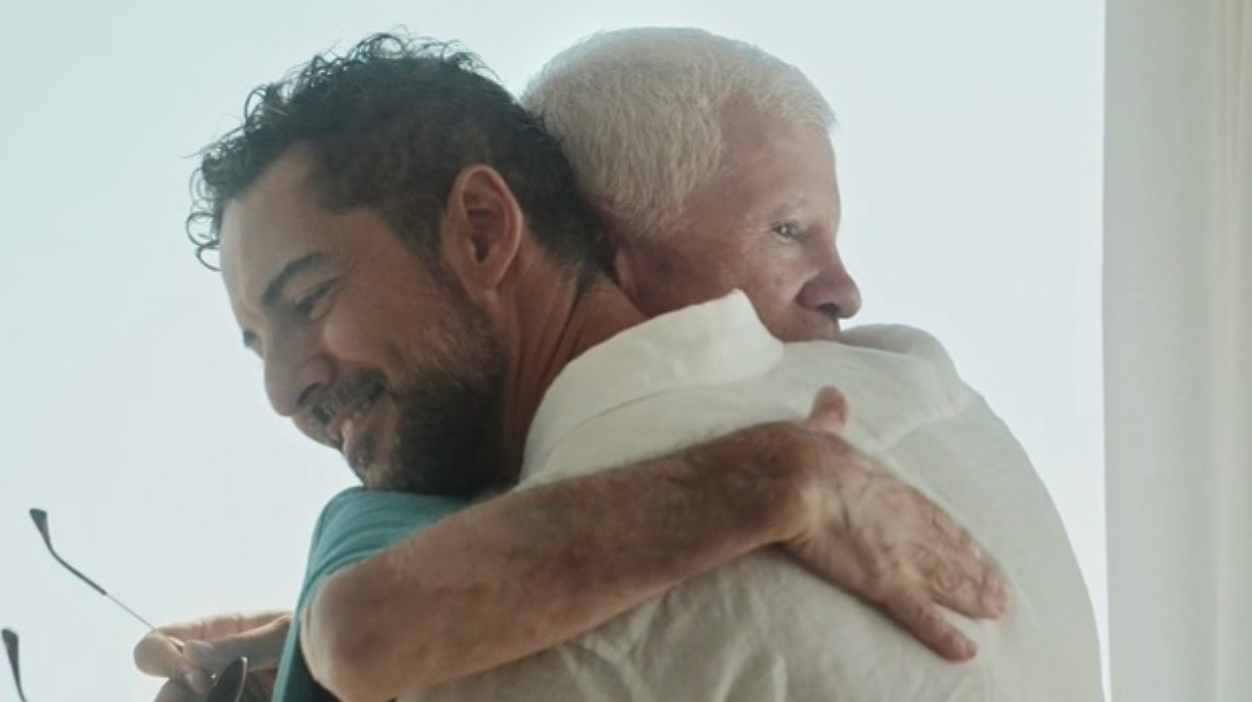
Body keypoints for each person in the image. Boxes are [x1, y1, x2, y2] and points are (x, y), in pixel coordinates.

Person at [134, 30, 1100, 702]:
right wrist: (301, 633)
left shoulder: (509, 655)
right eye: (260, 345)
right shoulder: (923, 385)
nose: (282, 389)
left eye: (308, 303)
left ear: (482, 230)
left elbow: (367, 635)